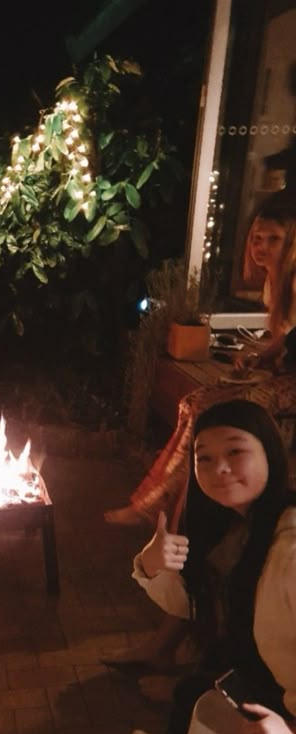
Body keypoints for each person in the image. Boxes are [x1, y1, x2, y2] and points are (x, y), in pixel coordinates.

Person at [105, 191, 296, 529]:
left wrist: (273, 364)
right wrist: (258, 358)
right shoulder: (273, 281)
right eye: (257, 238)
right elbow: (287, 335)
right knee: (193, 402)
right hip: (281, 374)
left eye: (274, 239)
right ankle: (158, 501)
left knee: (209, 412)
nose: (261, 248)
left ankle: (163, 510)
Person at [129, 399, 296, 734]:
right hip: (260, 671)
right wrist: (153, 564)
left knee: (194, 699)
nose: (218, 468)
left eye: (236, 451)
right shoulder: (234, 526)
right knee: (197, 691)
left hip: (284, 703)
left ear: (269, 452)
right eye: (203, 458)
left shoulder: (287, 550)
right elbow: (192, 604)